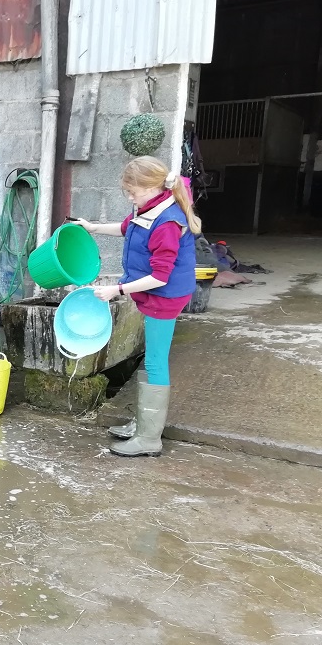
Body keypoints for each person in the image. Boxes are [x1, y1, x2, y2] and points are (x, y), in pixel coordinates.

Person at [71, 156, 200, 457]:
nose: (129, 198)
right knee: (152, 359)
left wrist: (116, 289)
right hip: (157, 294)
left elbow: (159, 277)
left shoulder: (167, 222)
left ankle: (149, 438)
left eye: (133, 192)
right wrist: (92, 228)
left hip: (163, 296)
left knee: (155, 361)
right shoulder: (152, 207)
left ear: (154, 187)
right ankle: (144, 424)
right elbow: (127, 228)